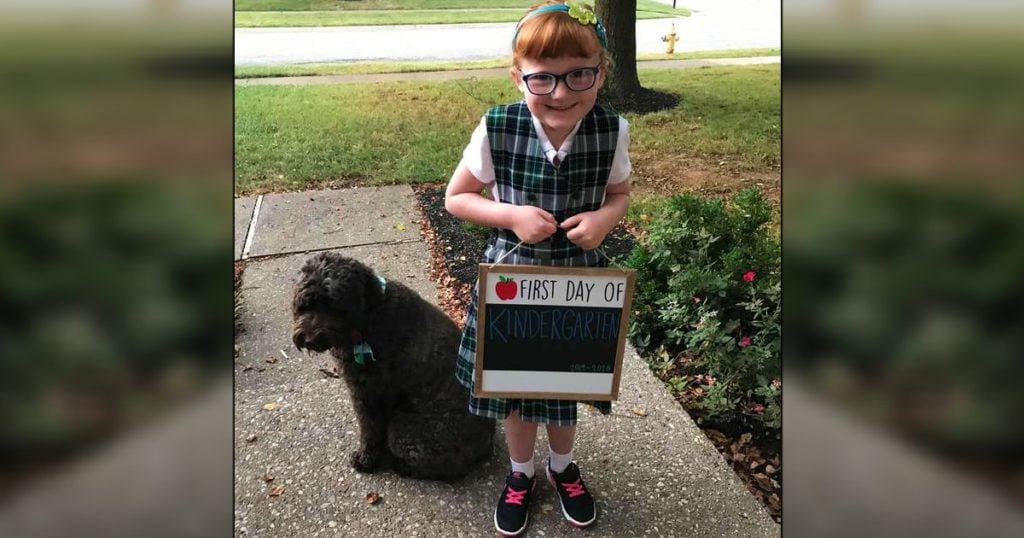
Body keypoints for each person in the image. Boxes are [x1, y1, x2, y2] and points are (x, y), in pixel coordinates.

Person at [444, 2, 631, 535]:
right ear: (517, 74)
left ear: (601, 69)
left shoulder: (612, 130)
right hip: (512, 280)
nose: (562, 92)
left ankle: (563, 466)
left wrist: (605, 219)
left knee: (564, 386)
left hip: (579, 282)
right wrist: (508, 215)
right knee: (517, 391)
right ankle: (521, 472)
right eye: (542, 78)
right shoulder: (498, 126)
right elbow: (457, 197)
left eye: (580, 74)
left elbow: (619, 194)